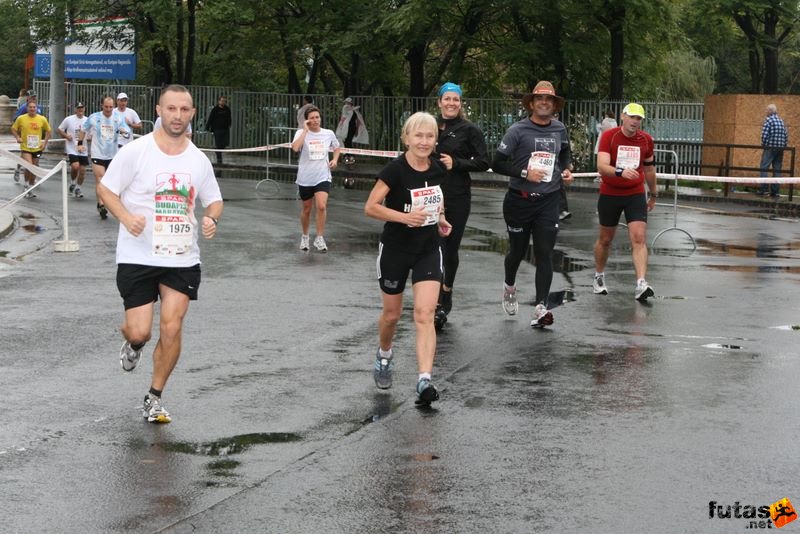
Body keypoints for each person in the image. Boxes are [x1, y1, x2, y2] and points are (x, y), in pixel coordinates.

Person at [97, 84, 223, 424]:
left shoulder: (197, 159)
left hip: (181, 257)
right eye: (171, 109)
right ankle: (133, 344)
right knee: (140, 332)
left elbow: (214, 198)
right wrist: (126, 218)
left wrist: (211, 216)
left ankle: (154, 396)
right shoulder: (136, 152)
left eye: (184, 109)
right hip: (137, 255)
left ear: (192, 113)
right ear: (158, 110)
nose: (177, 115)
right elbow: (105, 189)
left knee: (172, 326)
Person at [365, 111, 451, 405]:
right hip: (395, 249)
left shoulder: (439, 168)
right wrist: (405, 218)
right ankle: (384, 354)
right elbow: (371, 208)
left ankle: (424, 380)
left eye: (429, 136)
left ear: (435, 140)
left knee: (425, 314)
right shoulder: (395, 170)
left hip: (428, 248)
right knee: (392, 315)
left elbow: (437, 199)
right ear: (407, 138)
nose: (424, 141)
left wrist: (441, 217)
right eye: (418, 135)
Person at [491, 81, 573, 328]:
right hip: (519, 200)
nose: (544, 103)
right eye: (540, 99)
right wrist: (526, 173)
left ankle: (541, 307)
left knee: (544, 253)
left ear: (554, 104)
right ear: (532, 103)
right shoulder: (517, 130)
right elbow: (498, 163)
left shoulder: (559, 129)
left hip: (548, 201)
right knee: (516, 251)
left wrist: (567, 169)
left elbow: (565, 154)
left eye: (549, 99)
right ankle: (509, 286)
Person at [432, 82, 489, 330]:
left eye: (456, 99)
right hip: (430, 194)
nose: (451, 103)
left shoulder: (470, 130)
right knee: (432, 248)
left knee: (449, 247)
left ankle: (446, 292)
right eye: (447, 99)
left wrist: (457, 163)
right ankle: (432, 300)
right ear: (440, 102)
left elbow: (485, 161)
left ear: (460, 103)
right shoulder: (429, 125)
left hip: (456, 195)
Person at [592, 103, 657, 301]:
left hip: (635, 193)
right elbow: (602, 166)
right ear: (623, 117)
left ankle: (641, 283)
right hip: (610, 193)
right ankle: (599, 276)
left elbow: (649, 169)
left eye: (639, 119)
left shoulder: (646, 140)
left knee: (639, 237)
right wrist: (620, 171)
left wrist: (653, 193)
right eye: (631, 117)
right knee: (606, 239)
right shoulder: (609, 136)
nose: (635, 122)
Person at [291, 105, 340, 252]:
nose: (315, 120)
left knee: (321, 206)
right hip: (305, 177)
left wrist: (335, 159)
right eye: (312, 118)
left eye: (317, 117)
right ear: (307, 120)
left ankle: (319, 238)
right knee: (306, 209)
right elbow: (295, 148)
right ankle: (305, 237)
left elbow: (337, 147)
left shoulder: (328, 133)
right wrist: (305, 131)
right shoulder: (301, 132)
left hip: (322, 175)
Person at [80, 96, 131, 219]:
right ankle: (102, 204)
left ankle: (106, 201)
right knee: (100, 179)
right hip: (98, 153)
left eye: (111, 107)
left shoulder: (118, 118)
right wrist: (80, 144)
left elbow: (127, 131)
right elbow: (83, 129)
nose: (108, 109)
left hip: (112, 155)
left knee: (110, 182)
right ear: (101, 106)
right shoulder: (94, 117)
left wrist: (124, 132)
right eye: (106, 107)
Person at [10, 100, 52, 198]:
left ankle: (30, 186)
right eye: (30, 107)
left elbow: (48, 131)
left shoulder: (42, 119)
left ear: (36, 109)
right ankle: (26, 184)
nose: (32, 109)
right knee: (29, 166)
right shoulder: (21, 118)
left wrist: (44, 143)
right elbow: (13, 129)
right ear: (27, 108)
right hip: (26, 147)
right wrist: (18, 138)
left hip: (37, 148)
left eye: (34, 107)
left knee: (34, 168)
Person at [57, 102, 89, 198]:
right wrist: (66, 136)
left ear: (84, 109)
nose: (80, 110)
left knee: (82, 170)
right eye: (78, 108)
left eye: (82, 108)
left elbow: (91, 133)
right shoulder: (69, 119)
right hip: (72, 148)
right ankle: (73, 182)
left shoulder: (87, 120)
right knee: (75, 166)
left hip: (83, 148)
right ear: (75, 109)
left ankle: (78, 188)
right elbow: (59, 129)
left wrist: (90, 137)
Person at [758, 103, 788, 198]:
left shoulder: (769, 120)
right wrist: (783, 145)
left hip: (770, 148)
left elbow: (764, 135)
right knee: (777, 170)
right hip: (780, 149)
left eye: (767, 110)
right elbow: (786, 135)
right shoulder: (781, 121)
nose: (766, 112)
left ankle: (764, 190)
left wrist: (764, 144)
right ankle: (775, 192)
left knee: (764, 167)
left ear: (771, 111)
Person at [335, 97, 368, 165]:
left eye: (347, 103)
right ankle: (349, 156)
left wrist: (340, 125)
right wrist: (357, 129)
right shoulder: (355, 111)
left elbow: (343, 118)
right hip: (352, 128)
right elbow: (358, 121)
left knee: (347, 141)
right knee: (348, 141)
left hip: (348, 128)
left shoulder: (348, 108)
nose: (346, 104)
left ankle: (348, 156)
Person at [205, 95, 232, 164]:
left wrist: (229, 124)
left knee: (225, 143)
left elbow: (229, 118)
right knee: (218, 144)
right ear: (219, 101)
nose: (223, 102)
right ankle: (219, 159)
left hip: (225, 129)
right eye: (222, 101)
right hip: (217, 129)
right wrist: (208, 127)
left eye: (224, 101)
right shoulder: (215, 109)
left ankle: (218, 151)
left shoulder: (227, 109)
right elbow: (211, 118)